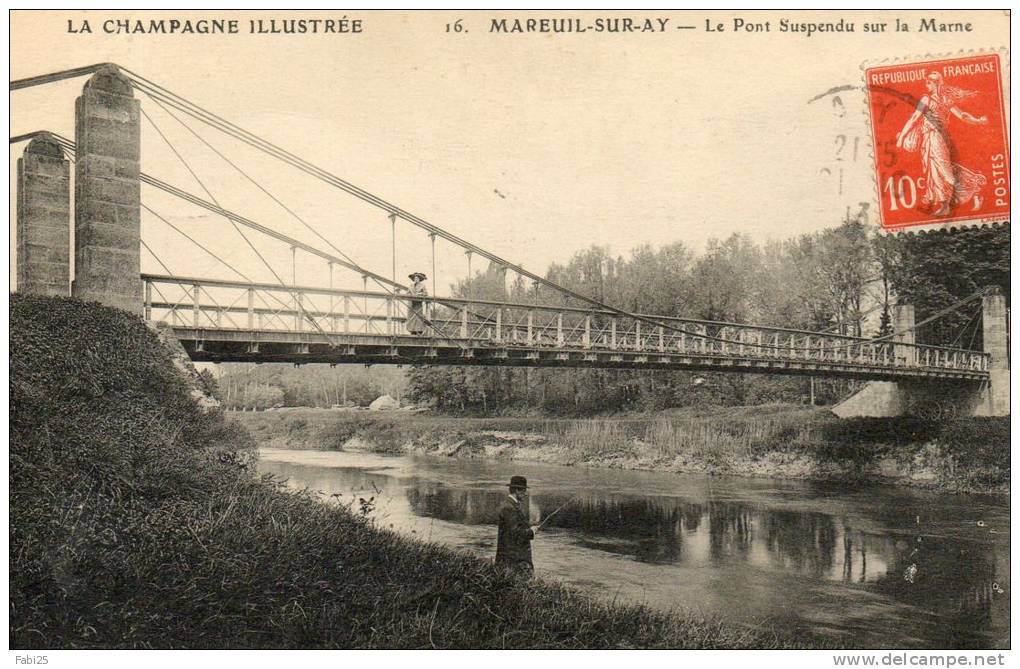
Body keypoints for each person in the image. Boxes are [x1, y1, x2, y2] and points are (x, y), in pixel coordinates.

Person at [895, 71, 989, 217]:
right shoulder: (933, 99)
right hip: (928, 138)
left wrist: (977, 121)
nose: (926, 85)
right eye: (926, 82)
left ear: (936, 83)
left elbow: (961, 115)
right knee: (933, 171)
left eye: (929, 82)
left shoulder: (936, 100)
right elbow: (914, 118)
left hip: (938, 137)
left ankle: (976, 190)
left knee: (945, 172)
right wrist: (902, 135)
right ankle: (944, 205)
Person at [495, 475, 535, 578]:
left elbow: (513, 527)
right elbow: (515, 533)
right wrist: (531, 532)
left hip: (512, 558)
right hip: (513, 560)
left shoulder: (510, 505)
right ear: (517, 490)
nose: (525, 494)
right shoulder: (509, 508)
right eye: (524, 491)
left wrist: (529, 527)